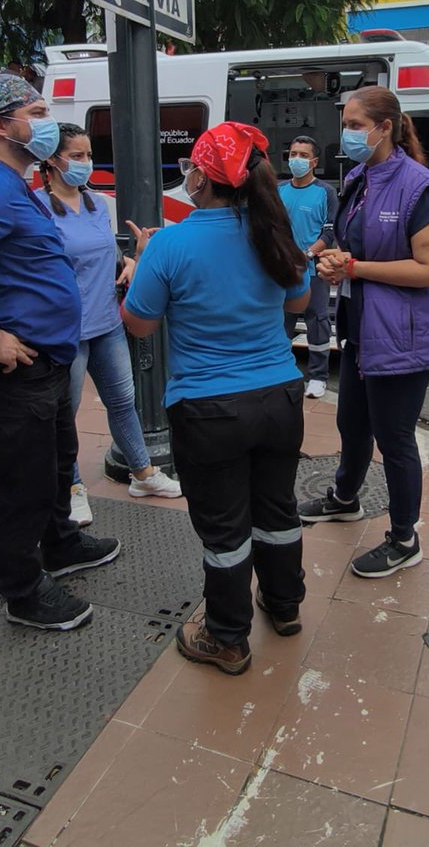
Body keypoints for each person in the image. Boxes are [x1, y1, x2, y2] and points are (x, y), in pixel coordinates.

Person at [122, 121, 310, 676]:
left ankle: (226, 638)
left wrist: (138, 266)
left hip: (208, 409)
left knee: (225, 527)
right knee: (277, 507)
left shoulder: (171, 243)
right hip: (280, 397)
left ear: (201, 177)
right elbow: (297, 306)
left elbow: (137, 324)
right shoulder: (272, 231)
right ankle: (284, 605)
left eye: (189, 169)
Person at [0, 72, 120, 632]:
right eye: (34, 112)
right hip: (15, 368)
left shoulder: (13, 181)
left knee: (57, 459)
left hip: (48, 362)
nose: (45, 122)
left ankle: (60, 542)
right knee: (22, 481)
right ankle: (23, 589)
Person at [298, 86, 429, 579]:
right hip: (362, 327)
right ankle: (345, 497)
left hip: (404, 337)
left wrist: (356, 269)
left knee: (396, 439)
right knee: (352, 424)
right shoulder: (360, 178)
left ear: (386, 128)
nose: (347, 134)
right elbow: (349, 240)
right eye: (346, 123)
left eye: (356, 124)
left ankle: (405, 538)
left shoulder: (419, 186)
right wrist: (334, 259)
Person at [37, 124, 182, 525]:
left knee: (123, 401)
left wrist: (132, 260)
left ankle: (143, 474)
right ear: (52, 159)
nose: (86, 164)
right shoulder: (36, 208)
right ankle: (71, 487)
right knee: (64, 415)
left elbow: (105, 256)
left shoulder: (98, 204)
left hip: (105, 322)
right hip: (65, 330)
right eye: (78, 156)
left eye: (88, 155)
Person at [279, 135, 338, 398]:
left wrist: (308, 253)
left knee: (318, 321)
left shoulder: (325, 192)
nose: (297, 160)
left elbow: (330, 231)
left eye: (303, 156)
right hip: (283, 269)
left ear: (314, 161)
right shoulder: (279, 190)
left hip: (312, 269)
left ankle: (317, 376)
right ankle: (281, 372)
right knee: (282, 322)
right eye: (293, 154)